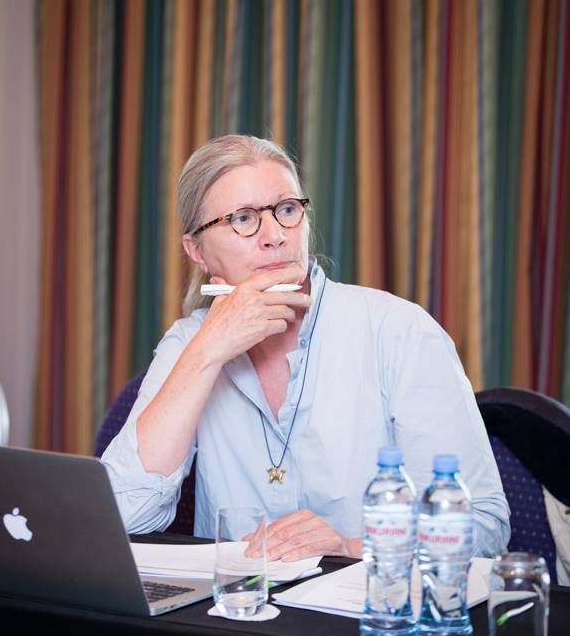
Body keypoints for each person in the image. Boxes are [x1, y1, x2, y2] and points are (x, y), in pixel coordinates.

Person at [101, 134, 510, 561]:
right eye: (243, 218)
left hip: (366, 597)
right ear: (197, 251)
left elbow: (483, 524)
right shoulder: (190, 342)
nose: (275, 235)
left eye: (287, 209)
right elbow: (122, 517)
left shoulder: (398, 330)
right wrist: (209, 351)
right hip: (239, 600)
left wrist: (350, 547)